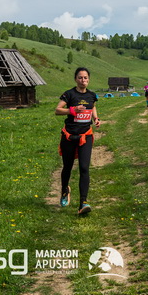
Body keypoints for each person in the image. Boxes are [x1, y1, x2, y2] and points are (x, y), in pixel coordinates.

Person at [55, 67, 101, 215]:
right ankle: (64, 190)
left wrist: (96, 118)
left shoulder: (92, 95)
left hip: (85, 136)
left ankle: (83, 202)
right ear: (75, 79)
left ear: (89, 79)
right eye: (80, 77)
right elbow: (57, 110)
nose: (83, 80)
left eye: (85, 77)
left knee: (84, 167)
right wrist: (72, 110)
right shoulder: (69, 94)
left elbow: (92, 107)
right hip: (69, 136)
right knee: (67, 167)